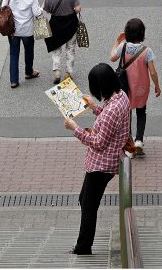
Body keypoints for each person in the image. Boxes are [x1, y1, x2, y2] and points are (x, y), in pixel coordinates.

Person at [64, 64, 130, 255]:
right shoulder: (121, 97)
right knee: (85, 199)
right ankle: (84, 243)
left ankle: (83, 247)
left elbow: (99, 142)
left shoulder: (111, 110)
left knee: (88, 205)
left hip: (102, 164)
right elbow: (111, 123)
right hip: (106, 160)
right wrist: (94, 107)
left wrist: (75, 128)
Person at [110, 18, 160, 157]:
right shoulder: (146, 50)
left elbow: (112, 58)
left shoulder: (123, 47)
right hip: (141, 88)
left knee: (127, 115)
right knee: (141, 111)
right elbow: (153, 72)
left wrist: (117, 42)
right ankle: (139, 140)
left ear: (127, 33)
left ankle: (130, 145)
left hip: (125, 87)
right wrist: (157, 86)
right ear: (142, 33)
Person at [5, 0, 43, 87]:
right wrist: (42, 8)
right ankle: (28, 71)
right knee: (29, 51)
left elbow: (3, 7)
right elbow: (37, 13)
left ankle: (14, 80)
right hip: (27, 30)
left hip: (12, 30)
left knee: (14, 53)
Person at [43, 0, 82, 84]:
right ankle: (68, 73)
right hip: (71, 24)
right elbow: (78, 8)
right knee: (70, 49)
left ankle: (57, 71)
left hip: (56, 25)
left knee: (56, 49)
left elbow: (47, 10)